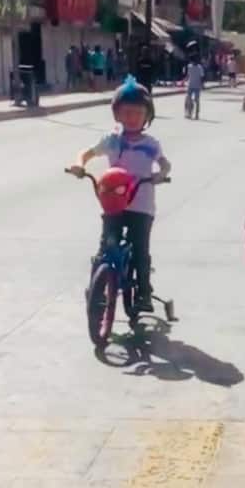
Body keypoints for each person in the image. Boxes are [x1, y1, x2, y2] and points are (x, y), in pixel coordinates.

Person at [67, 77, 170, 312]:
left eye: (138, 113)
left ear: (147, 117)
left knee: (140, 250)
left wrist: (161, 173)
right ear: (117, 115)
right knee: (106, 246)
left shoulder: (151, 144)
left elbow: (165, 163)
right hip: (113, 202)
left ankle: (143, 292)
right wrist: (79, 164)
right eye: (126, 112)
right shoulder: (112, 140)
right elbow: (87, 152)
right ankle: (96, 286)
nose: (132, 117)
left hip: (141, 205)